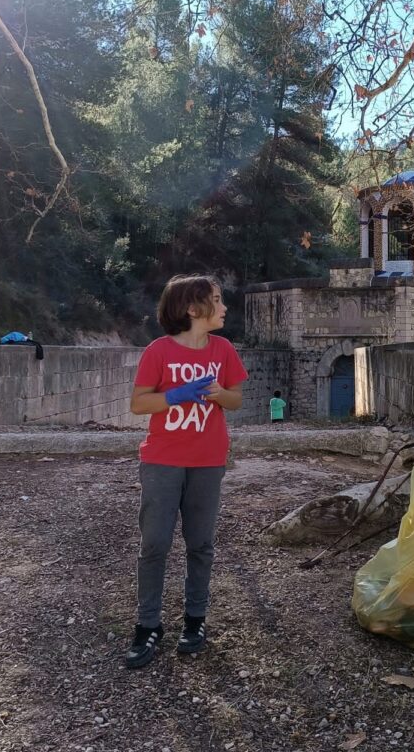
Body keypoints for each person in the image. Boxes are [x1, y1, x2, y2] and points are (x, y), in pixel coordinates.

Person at [124, 274, 247, 669]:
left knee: (201, 544)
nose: (224, 307)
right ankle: (148, 625)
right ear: (193, 309)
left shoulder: (223, 349)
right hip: (162, 459)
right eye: (216, 299)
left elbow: (237, 400)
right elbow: (139, 405)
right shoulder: (158, 351)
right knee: (155, 543)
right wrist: (174, 396)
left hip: (208, 460)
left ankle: (195, 621)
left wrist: (216, 393)